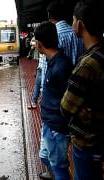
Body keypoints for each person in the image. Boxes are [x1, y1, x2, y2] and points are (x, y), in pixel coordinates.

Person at [60, 1, 104, 179]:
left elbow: (65, 108)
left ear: (80, 24)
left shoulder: (88, 64)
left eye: (73, 19)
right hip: (103, 137)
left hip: (87, 141)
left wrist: (81, 110)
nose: (72, 23)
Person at [35, 21, 73, 180]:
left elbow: (68, 100)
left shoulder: (61, 66)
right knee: (44, 156)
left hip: (57, 127)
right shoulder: (54, 61)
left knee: (59, 165)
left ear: (39, 43)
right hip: (49, 124)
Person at [47, 0, 84, 66]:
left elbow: (47, 66)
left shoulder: (52, 36)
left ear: (49, 15)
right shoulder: (79, 33)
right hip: (78, 74)